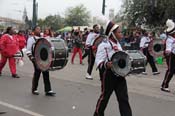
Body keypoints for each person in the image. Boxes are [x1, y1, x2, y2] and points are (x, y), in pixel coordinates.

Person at [94, 21, 132, 116]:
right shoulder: (103, 45)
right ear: (112, 34)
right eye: (119, 32)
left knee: (123, 99)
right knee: (104, 98)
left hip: (120, 75)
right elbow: (98, 61)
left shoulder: (118, 45)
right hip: (108, 75)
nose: (121, 34)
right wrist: (107, 64)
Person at [26, 26, 56, 96]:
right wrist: (32, 59)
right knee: (37, 73)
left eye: (40, 29)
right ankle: (34, 89)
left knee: (46, 73)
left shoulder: (43, 38)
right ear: (34, 31)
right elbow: (28, 50)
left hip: (44, 58)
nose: (39, 30)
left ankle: (48, 90)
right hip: (36, 58)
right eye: (37, 29)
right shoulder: (31, 39)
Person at [161, 19, 175, 92]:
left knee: (172, 71)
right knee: (170, 70)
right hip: (171, 56)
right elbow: (168, 50)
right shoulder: (169, 39)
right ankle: (164, 85)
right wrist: (168, 51)